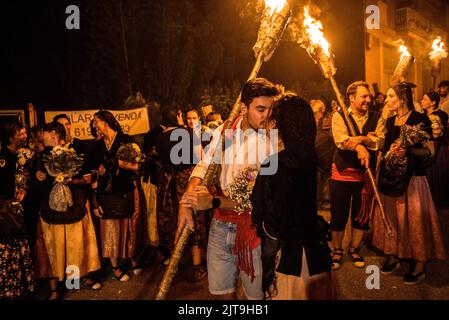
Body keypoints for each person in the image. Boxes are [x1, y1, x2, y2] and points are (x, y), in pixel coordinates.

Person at [177, 78, 280, 300]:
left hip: (254, 229)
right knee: (223, 294)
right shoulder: (224, 131)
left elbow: (260, 199)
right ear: (243, 108)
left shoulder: (271, 140)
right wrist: (188, 198)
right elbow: (205, 165)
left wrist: (212, 201)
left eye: (270, 109)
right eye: (260, 109)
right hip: (220, 225)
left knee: (256, 298)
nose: (266, 115)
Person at [251, 93, 336, 300]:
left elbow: (263, 209)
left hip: (289, 254)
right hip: (313, 246)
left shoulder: (275, 162)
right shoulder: (310, 155)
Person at [373, 82, 446, 285]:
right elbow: (384, 149)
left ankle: (420, 264)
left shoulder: (419, 118)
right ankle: (393, 254)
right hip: (391, 178)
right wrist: (387, 153)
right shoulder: (388, 122)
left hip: (413, 179)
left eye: (390, 96)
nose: (386, 101)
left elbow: (429, 152)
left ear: (402, 98)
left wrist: (408, 150)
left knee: (414, 220)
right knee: (393, 219)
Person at [34, 122, 101, 299]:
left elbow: (88, 179)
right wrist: (39, 178)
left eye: (45, 133)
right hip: (51, 208)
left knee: (76, 243)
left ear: (55, 134)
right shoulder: (41, 157)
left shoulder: (75, 152)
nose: (42, 137)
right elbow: (37, 182)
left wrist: (68, 180)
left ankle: (78, 278)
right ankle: (55, 288)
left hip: (75, 205)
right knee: (53, 245)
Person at [329, 81, 385, 270]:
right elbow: (341, 140)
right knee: (338, 215)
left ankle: (354, 248)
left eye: (369, 96)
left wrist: (361, 139)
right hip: (342, 173)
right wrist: (362, 146)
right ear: (352, 99)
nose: (368, 100)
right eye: (364, 96)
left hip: (365, 175)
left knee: (360, 216)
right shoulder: (339, 116)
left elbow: (379, 141)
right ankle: (337, 249)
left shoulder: (377, 117)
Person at [92, 110, 143, 282]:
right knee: (110, 230)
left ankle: (131, 258)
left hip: (125, 189)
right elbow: (94, 175)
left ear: (105, 122)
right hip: (106, 192)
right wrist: (95, 199)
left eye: (95, 122)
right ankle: (115, 266)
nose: (93, 125)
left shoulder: (125, 139)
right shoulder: (98, 146)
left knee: (127, 226)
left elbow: (136, 166)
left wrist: (116, 163)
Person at [0, 121, 35, 299]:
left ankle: (19, 288)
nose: (24, 136)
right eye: (20, 133)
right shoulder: (4, 157)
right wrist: (10, 199)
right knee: (9, 252)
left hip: (19, 213)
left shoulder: (21, 155)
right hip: (7, 216)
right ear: (11, 135)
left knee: (20, 248)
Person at [421, 92, 449, 210]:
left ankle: (439, 203)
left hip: (438, 149)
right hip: (426, 149)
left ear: (433, 103)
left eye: (425, 99)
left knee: (438, 175)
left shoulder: (440, 115)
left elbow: (437, 134)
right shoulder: (422, 115)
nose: (422, 101)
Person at [311, 99, 334, 210]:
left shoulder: (327, 123)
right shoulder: (311, 125)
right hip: (314, 160)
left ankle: (323, 201)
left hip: (325, 161)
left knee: (323, 179)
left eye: (314, 113)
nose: (314, 116)